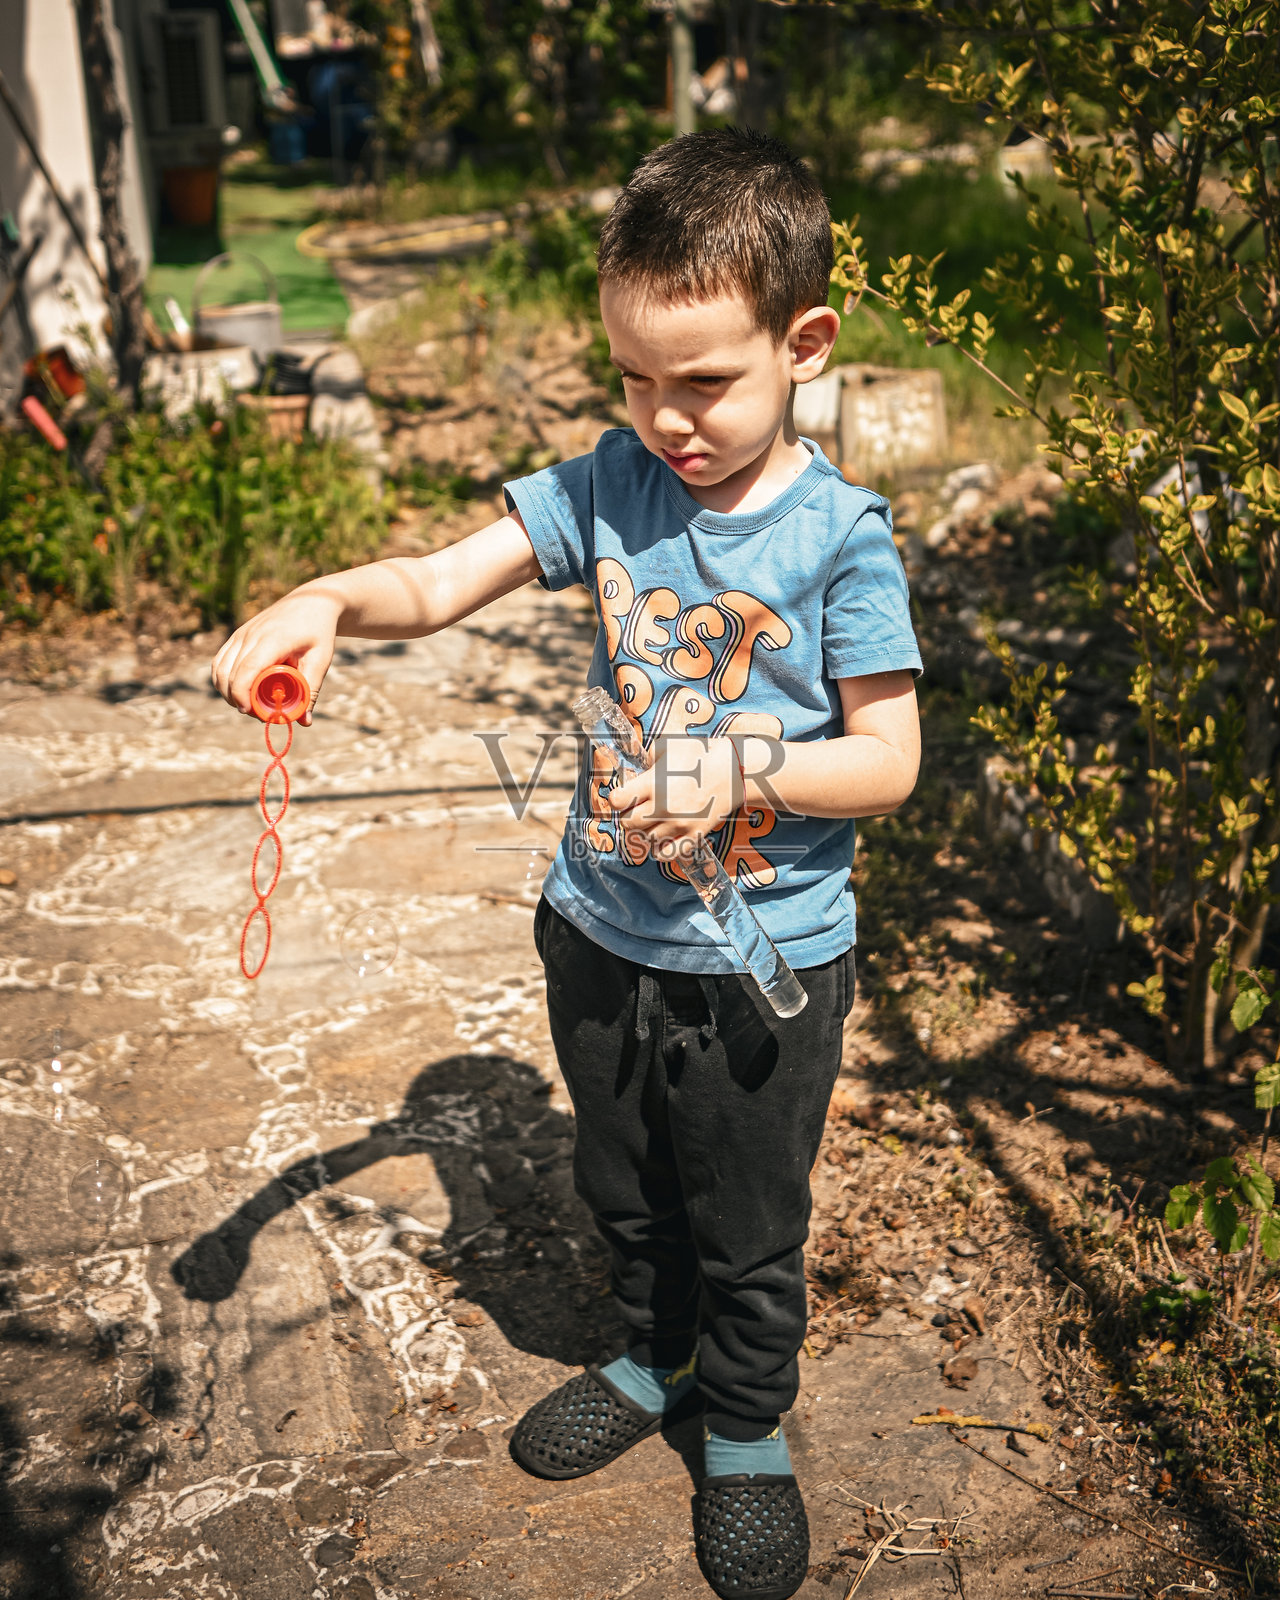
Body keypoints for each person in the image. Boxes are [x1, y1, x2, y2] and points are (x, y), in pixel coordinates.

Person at [211, 127, 921, 1600]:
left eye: (706, 382)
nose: (666, 419)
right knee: (623, 1181)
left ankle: (743, 1425)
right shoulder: (610, 484)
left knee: (746, 1210)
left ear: (806, 343)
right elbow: (441, 579)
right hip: (599, 925)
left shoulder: (842, 540)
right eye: (634, 379)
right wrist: (328, 599)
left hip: (763, 958)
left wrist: (743, 767)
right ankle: (654, 1358)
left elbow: (889, 761)